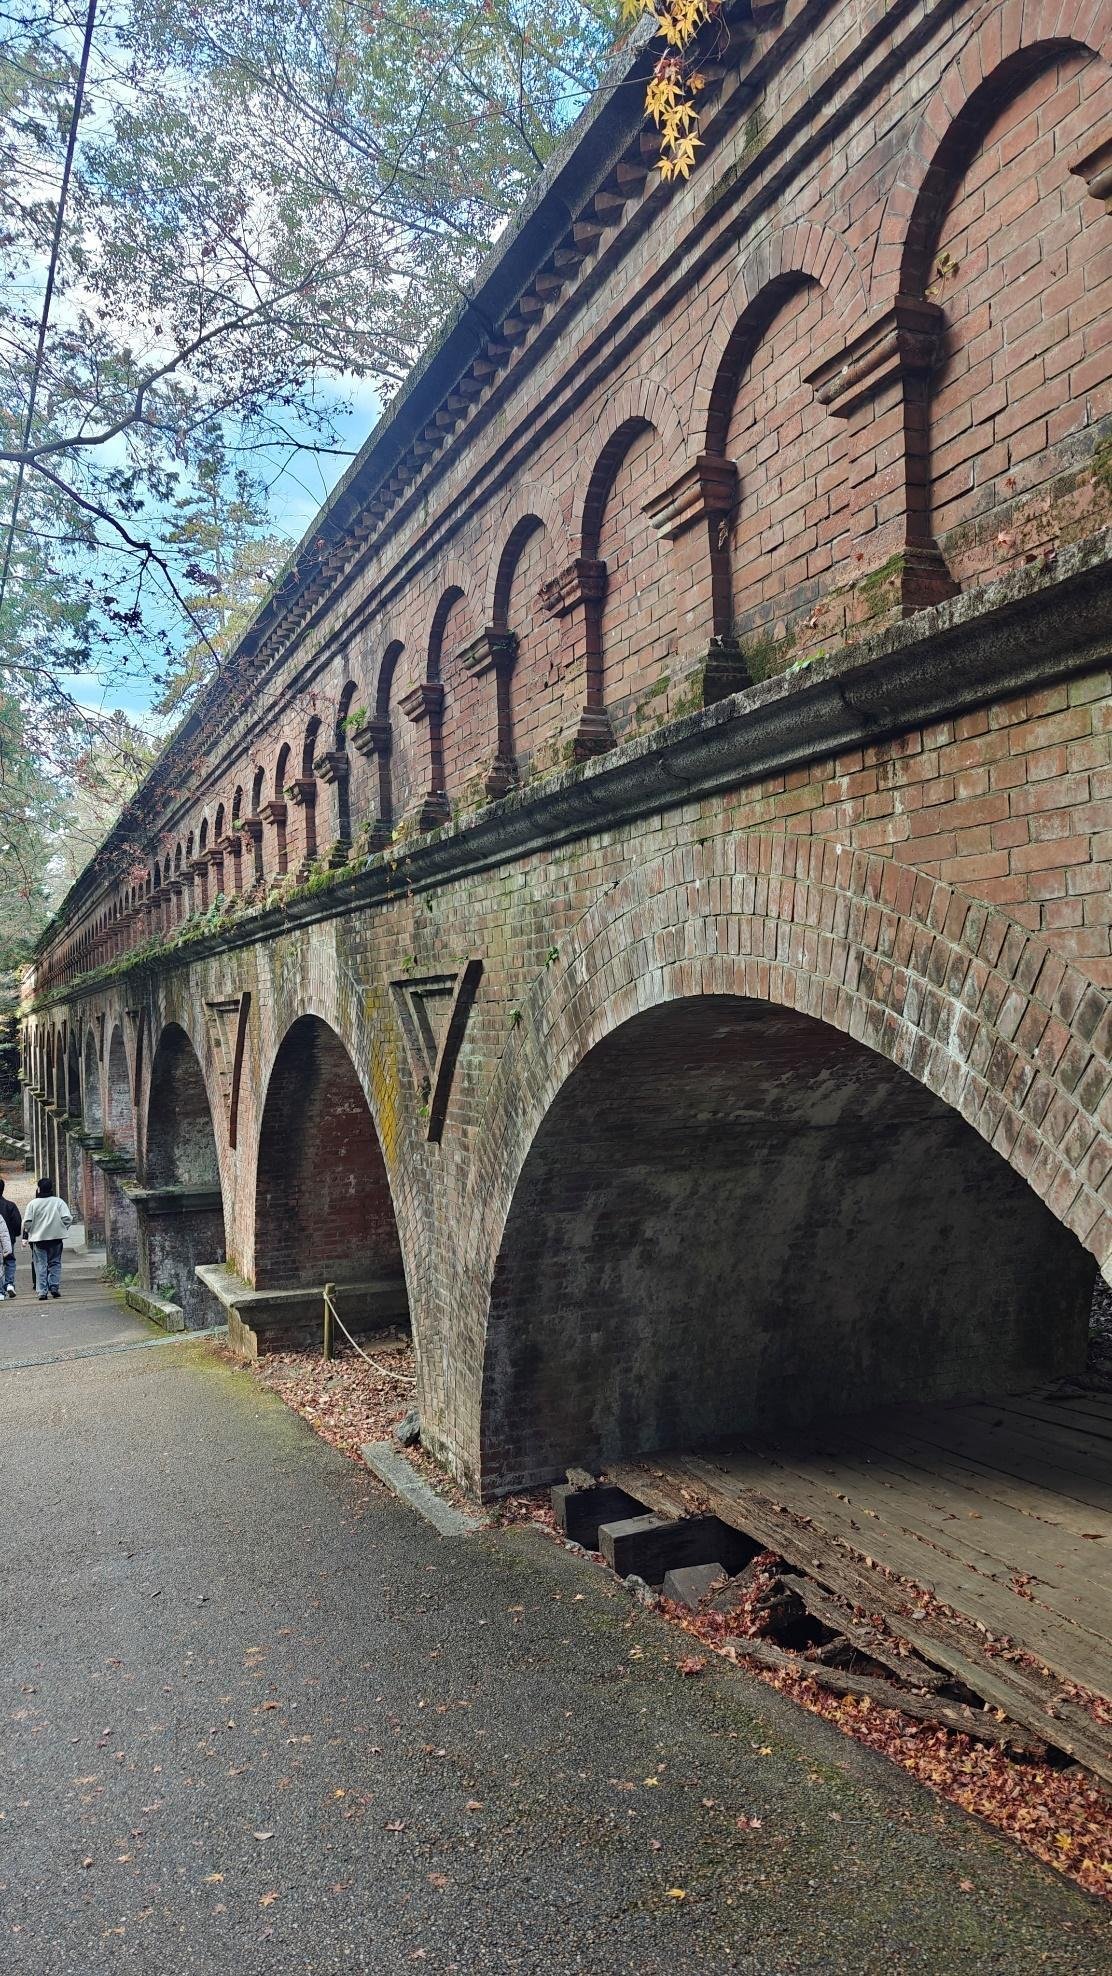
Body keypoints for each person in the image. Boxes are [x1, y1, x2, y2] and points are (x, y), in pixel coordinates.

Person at [22, 1177, 73, 1302]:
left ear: (39, 1189)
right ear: (51, 1188)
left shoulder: (33, 1204)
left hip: (39, 1239)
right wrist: (61, 1228)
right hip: (56, 1238)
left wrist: (30, 1232)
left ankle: (42, 1291)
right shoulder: (58, 1202)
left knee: (40, 1265)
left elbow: (27, 1222)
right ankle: (54, 1286)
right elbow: (68, 1218)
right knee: (55, 1262)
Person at [0, 1179, 20, 1297]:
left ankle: (1, 1291)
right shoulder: (10, 1205)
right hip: (8, 1239)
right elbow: (17, 1223)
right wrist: (15, 1234)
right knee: (10, 1261)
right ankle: (9, 1284)